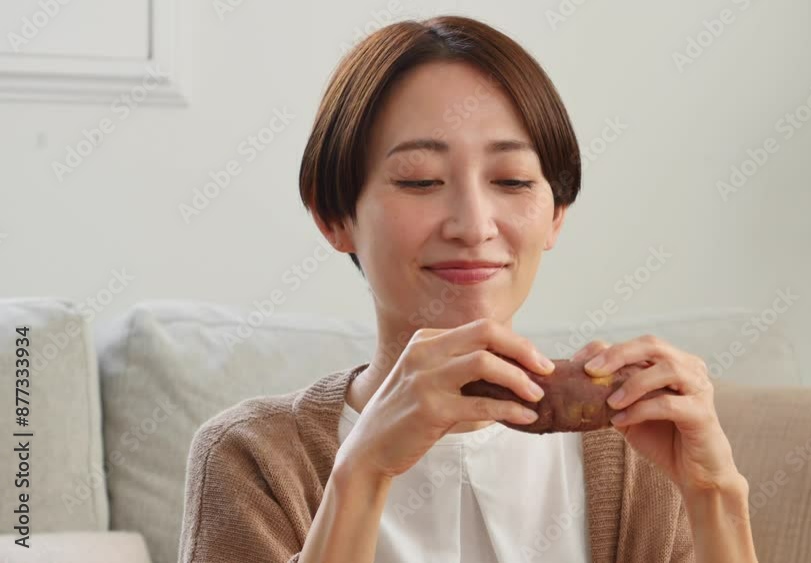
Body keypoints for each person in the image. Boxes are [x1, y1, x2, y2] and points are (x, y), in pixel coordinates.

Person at [179, 15, 758, 563]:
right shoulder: (250, 459)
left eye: (512, 180)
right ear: (333, 216)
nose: (474, 225)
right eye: (420, 180)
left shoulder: (635, 457)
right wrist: (363, 471)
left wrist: (715, 494)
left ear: (556, 214)